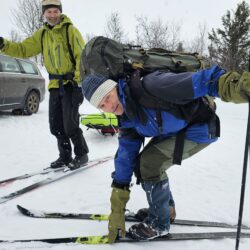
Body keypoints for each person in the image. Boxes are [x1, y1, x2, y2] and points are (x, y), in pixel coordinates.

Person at [81, 65, 250, 242]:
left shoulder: (153, 85)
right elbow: (125, 158)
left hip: (201, 128)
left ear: (114, 87)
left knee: (150, 163)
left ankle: (159, 223)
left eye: (108, 97)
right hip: (178, 129)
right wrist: (117, 210)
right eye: (102, 105)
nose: (109, 106)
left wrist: (240, 85)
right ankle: (165, 211)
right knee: (140, 164)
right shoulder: (127, 117)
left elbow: (206, 80)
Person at [0, 0, 89, 170]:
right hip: (55, 84)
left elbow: (81, 58)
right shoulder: (42, 34)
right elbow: (23, 49)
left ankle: (81, 154)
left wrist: (78, 84)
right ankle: (64, 156)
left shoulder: (71, 31)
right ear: (44, 14)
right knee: (55, 125)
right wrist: (4, 45)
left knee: (70, 124)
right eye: (49, 12)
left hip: (71, 84)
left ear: (60, 12)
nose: (52, 15)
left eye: (55, 11)